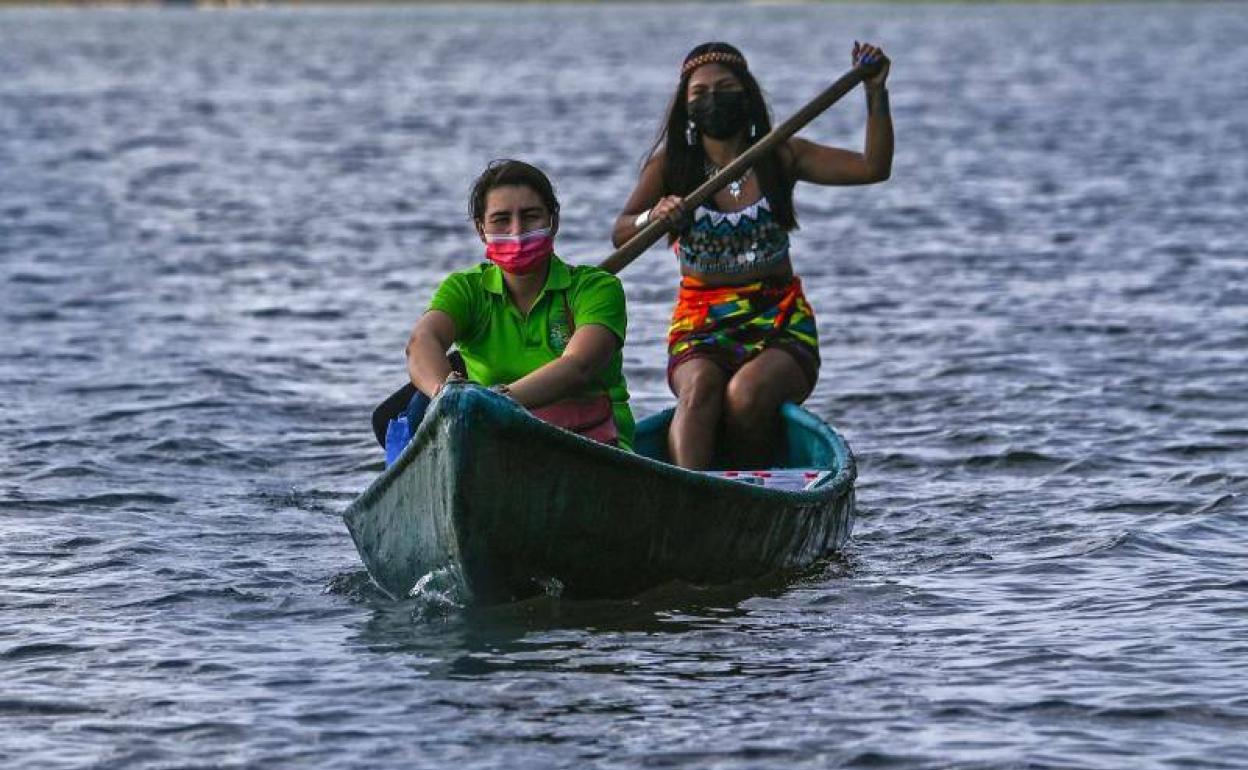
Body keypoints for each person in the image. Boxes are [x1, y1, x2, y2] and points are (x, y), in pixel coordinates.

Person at [611, 41, 892, 469]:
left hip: (779, 320)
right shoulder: (672, 166)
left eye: (724, 87)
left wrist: (875, 93)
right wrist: (655, 214)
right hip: (701, 323)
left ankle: (743, 490)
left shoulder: (780, 155)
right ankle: (692, 494)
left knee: (746, 394)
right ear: (686, 110)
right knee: (701, 387)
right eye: (699, 93)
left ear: (748, 95)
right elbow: (621, 233)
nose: (712, 98)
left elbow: (873, 167)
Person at [407, 159, 635, 449]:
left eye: (530, 216)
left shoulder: (597, 287)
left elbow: (578, 366)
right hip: (496, 441)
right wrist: (445, 394)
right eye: (501, 219)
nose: (516, 231)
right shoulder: (466, 289)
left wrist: (493, 401)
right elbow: (422, 341)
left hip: (593, 444)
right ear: (481, 230)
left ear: (553, 221)